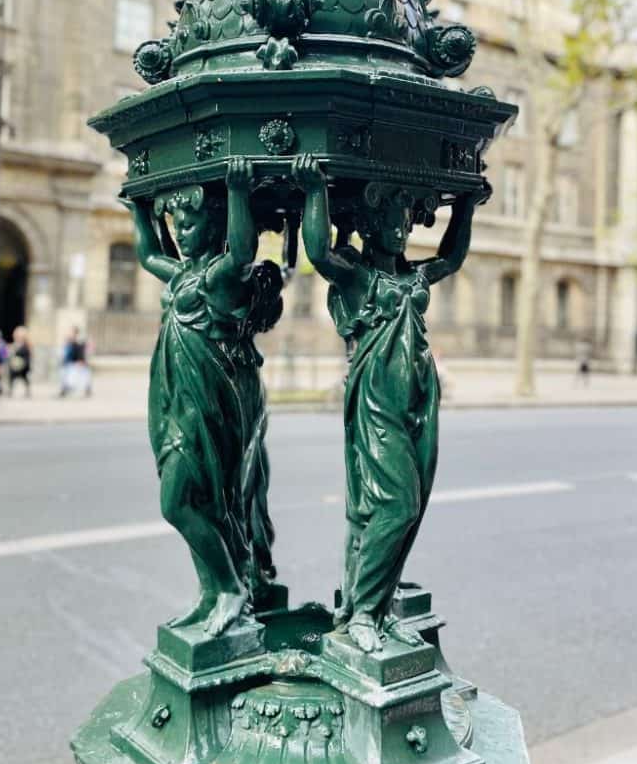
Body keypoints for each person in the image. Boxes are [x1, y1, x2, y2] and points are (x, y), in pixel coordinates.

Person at [294, 154, 489, 653]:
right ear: (366, 224)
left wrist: (465, 207)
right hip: (378, 403)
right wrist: (314, 190)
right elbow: (318, 252)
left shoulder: (412, 278)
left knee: (410, 505)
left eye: (404, 221)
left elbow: (451, 259)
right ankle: (362, 611)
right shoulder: (360, 277)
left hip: (421, 401)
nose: (400, 230)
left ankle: (376, 608)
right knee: (393, 505)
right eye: (388, 220)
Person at [123, 157, 283, 636]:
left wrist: (236, 195)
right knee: (205, 502)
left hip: (209, 404)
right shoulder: (183, 275)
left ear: (212, 227)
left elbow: (242, 253)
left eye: (190, 224)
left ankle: (232, 588)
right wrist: (138, 210)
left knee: (179, 502)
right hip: (177, 400)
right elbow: (150, 255)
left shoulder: (219, 276)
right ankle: (214, 590)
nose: (183, 232)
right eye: (178, 225)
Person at [59, 327, 92, 398]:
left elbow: (81, 351)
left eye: (71, 332)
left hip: (77, 362)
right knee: (68, 377)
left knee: (79, 377)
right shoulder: (71, 341)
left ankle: (85, 390)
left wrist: (81, 360)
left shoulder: (79, 341)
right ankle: (64, 391)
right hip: (71, 362)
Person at [8, 327, 33, 397]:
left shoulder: (26, 345)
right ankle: (10, 390)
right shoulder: (15, 344)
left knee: (24, 378)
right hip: (16, 364)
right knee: (12, 377)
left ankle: (27, 391)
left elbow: (28, 355)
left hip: (24, 365)